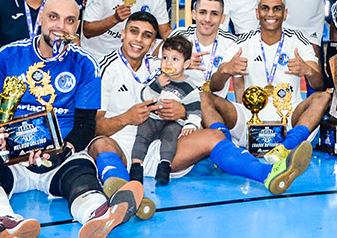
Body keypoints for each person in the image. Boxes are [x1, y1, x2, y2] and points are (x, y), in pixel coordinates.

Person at [0, 0, 142, 238]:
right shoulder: (9, 55)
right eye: (53, 17)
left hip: (61, 159)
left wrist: (64, 150)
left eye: (69, 20)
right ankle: (6, 221)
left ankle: (97, 214)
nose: (60, 26)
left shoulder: (85, 63)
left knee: (81, 176)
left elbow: (86, 124)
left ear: (77, 26)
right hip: (13, 160)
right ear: (40, 18)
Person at [92, 12, 313, 197]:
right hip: (124, 146)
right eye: (133, 32)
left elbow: (195, 96)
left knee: (215, 136)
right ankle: (124, 196)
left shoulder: (164, 64)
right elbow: (94, 126)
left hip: (163, 148)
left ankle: (268, 173)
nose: (139, 40)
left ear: (154, 43)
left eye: (147, 35)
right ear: (123, 34)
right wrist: (126, 118)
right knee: (100, 144)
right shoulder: (103, 68)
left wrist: (182, 112)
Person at [207, 0, 330, 164]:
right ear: (257, 13)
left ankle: (288, 145)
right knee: (205, 98)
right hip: (249, 120)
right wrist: (226, 70)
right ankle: (226, 150)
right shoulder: (242, 42)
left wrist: (307, 70)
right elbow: (214, 87)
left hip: (290, 121)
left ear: (285, 13)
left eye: (277, 9)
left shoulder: (299, 41)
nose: (270, 14)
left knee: (323, 97)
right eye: (265, 8)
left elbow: (318, 85)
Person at [129, 36, 201, 185]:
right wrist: (156, 85)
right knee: (142, 135)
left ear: (186, 63)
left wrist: (190, 125)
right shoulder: (158, 79)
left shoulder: (189, 86)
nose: (168, 63)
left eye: (175, 59)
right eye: (165, 58)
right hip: (153, 118)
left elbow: (195, 110)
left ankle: (164, 167)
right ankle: (136, 166)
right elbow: (144, 96)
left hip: (173, 122)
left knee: (170, 138)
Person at [169, 0, 240, 93]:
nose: (208, 19)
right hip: (180, 103)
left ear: (222, 18)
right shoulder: (179, 36)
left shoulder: (232, 43)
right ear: (194, 14)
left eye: (214, 14)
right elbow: (159, 71)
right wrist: (181, 62)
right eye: (203, 12)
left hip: (214, 105)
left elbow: (239, 84)